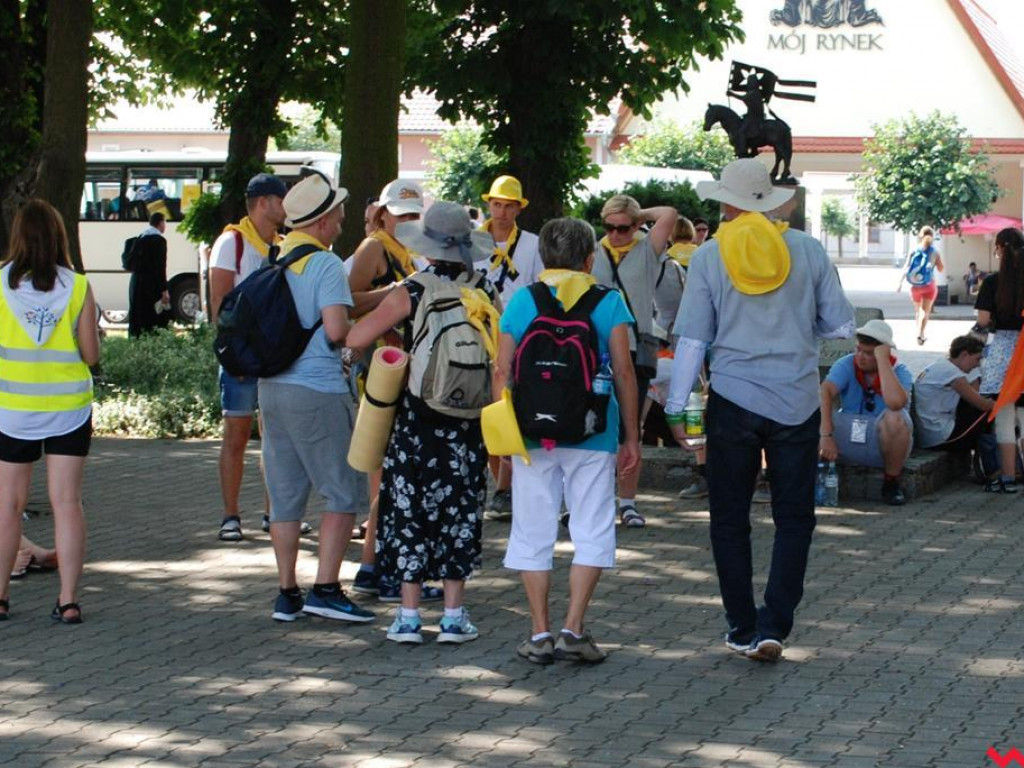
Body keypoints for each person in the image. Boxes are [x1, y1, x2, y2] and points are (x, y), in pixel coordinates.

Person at [666, 158, 854, 662]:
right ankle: (775, 625)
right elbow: (841, 326)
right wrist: (801, 325)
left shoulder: (709, 255)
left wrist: (677, 406)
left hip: (733, 398)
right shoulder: (808, 249)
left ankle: (741, 626)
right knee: (795, 518)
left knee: (729, 518)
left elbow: (693, 340)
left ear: (726, 204)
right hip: (797, 399)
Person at [346, 201, 499, 646]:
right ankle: (453, 617)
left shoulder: (413, 289)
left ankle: (409, 617)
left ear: (428, 247)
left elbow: (356, 336)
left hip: (418, 420)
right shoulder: (484, 289)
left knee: (409, 510)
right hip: (468, 422)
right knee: (459, 511)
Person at [498, 217, 639, 664]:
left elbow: (502, 371)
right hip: (593, 432)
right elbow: (624, 372)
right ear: (589, 259)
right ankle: (573, 629)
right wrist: (631, 436)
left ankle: (539, 633)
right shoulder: (608, 300)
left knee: (531, 530)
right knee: (592, 528)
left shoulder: (524, 299)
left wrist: (502, 434)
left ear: (544, 258)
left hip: (531, 433)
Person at [261, 171, 374, 626]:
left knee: (285, 498)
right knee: (341, 492)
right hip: (317, 390)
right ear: (322, 221)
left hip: (272, 389)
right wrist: (359, 335)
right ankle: (326, 589)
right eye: (339, 216)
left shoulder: (275, 258)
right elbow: (335, 330)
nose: (342, 223)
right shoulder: (325, 264)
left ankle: (287, 593)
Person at [0, 199, 101, 623]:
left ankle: (1, 597)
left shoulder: (0, 283)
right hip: (68, 408)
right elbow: (91, 355)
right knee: (67, 502)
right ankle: (68, 600)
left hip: (13, 409)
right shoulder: (78, 287)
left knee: (8, 504)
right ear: (59, 237)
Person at [345, 179, 441, 605]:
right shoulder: (373, 248)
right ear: (382, 214)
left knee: (394, 474)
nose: (406, 221)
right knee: (388, 475)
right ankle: (377, 569)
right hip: (381, 369)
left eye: (413, 214)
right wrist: (396, 295)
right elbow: (348, 303)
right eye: (400, 214)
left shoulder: (410, 251)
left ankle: (377, 568)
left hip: (403, 368)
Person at [209, 173, 290, 541]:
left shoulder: (283, 244)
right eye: (281, 200)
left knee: (276, 437)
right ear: (263, 202)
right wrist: (234, 357)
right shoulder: (232, 242)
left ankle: (274, 513)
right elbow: (218, 302)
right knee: (236, 435)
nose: (286, 207)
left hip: (274, 358)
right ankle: (230, 515)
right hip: (242, 360)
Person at [591, 194, 679, 528]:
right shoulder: (593, 250)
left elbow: (669, 213)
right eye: (609, 226)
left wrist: (639, 214)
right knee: (594, 424)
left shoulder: (646, 250)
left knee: (631, 426)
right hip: (596, 347)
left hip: (634, 348)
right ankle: (593, 500)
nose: (615, 234)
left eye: (623, 227)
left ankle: (627, 502)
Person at [477, 175, 544, 522]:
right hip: (478, 334)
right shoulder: (473, 241)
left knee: (509, 406)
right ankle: (501, 485)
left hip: (518, 335)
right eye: (497, 204)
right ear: (489, 205)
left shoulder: (532, 244)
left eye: (509, 206)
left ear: (519, 209)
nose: (502, 212)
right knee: (485, 411)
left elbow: (540, 288)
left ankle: (506, 488)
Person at [819, 319, 914, 505]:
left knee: (896, 418)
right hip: (847, 434)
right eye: (858, 350)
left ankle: (891, 483)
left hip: (882, 441)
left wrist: (883, 363)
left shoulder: (900, 371)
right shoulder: (846, 364)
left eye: (868, 353)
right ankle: (807, 479)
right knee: (811, 410)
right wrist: (826, 434)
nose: (860, 357)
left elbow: (896, 404)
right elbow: (826, 391)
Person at [974, 227, 1024, 493]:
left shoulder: (993, 281)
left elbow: (983, 321)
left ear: (1001, 248)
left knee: (1004, 418)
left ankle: (1007, 478)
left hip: (1003, 352)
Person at [913, 335, 992, 452]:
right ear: (964, 355)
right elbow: (982, 405)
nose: (978, 365)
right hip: (940, 436)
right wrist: (1005, 403)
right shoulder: (952, 373)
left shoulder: (940, 364)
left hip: (927, 435)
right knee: (990, 414)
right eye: (977, 359)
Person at [126, 212, 170, 337]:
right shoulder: (159, 241)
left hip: (136, 282)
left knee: (138, 313)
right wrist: (164, 290)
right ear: (160, 223)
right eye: (164, 222)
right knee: (152, 315)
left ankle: (136, 338)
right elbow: (160, 266)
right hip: (151, 283)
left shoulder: (141, 237)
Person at [899, 226, 944, 345]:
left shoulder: (914, 250)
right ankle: (921, 333)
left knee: (918, 311)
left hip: (915, 286)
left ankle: (918, 332)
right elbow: (941, 269)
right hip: (929, 285)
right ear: (932, 236)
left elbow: (906, 267)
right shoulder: (935, 252)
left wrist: (900, 283)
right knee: (925, 311)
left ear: (920, 235)